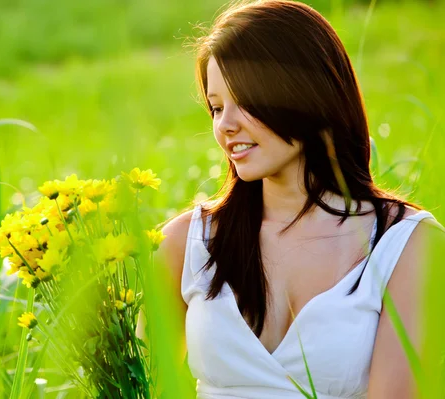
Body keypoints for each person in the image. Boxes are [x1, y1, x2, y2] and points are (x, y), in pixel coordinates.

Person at [142, 0, 445, 398]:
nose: (226, 125)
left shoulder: (407, 245)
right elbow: (138, 387)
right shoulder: (187, 244)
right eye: (217, 108)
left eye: (245, 101)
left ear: (306, 95)